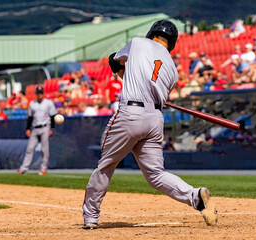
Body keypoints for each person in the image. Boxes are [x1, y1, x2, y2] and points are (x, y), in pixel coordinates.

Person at [82, 20, 217, 230]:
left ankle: (90, 217)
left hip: (130, 113)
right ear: (171, 42)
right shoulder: (172, 69)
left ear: (151, 32)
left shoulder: (137, 43)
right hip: (154, 119)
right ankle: (195, 196)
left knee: (106, 166)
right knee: (156, 175)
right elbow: (144, 79)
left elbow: (117, 63)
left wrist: (115, 65)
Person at [17, 86, 57, 175]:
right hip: (35, 127)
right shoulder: (32, 103)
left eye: (41, 93)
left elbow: (53, 116)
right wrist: (28, 128)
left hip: (45, 127)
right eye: (38, 93)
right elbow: (30, 117)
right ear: (36, 94)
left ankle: (43, 168)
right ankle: (23, 168)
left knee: (44, 149)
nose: (39, 95)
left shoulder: (48, 103)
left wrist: (52, 128)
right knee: (30, 148)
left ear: (43, 93)